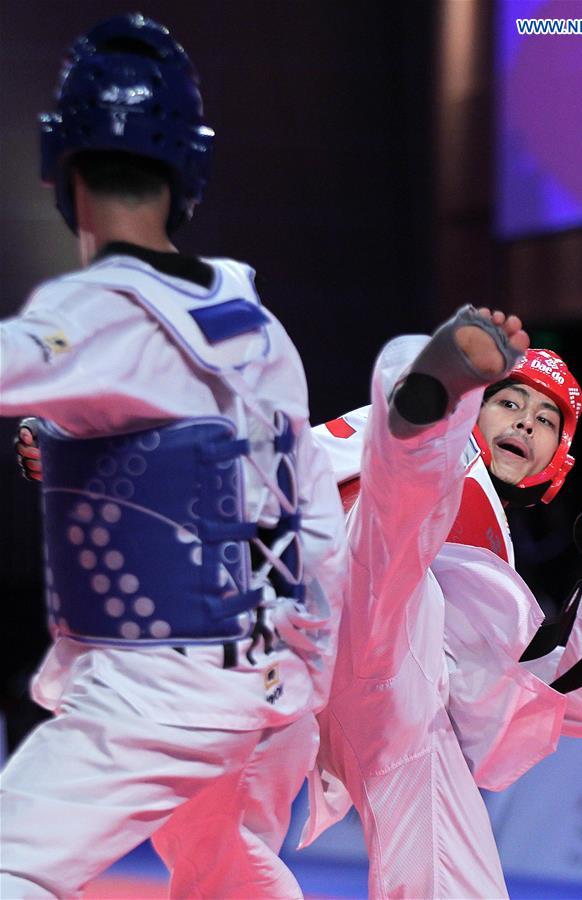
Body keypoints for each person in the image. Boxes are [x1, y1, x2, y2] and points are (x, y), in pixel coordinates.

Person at [0, 13, 345, 900]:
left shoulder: (105, 311)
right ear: (190, 170)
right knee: (221, 864)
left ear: (60, 169)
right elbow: (308, 522)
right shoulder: (260, 330)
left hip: (151, 693)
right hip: (254, 686)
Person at [297, 306, 582, 899]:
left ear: (557, 457)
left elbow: (577, 704)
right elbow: (292, 471)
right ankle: (433, 386)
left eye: (547, 419)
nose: (525, 423)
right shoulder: (444, 465)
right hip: (315, 606)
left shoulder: (495, 564)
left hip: (385, 698)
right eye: (510, 402)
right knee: (408, 500)